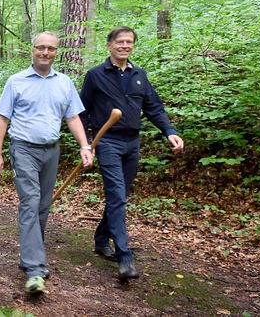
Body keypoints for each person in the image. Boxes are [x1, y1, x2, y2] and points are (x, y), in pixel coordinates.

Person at [0, 31, 93, 295]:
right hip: (23, 149)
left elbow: (72, 117)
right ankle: (35, 269)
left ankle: (31, 253)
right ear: (32, 49)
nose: (45, 52)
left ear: (56, 52)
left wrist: (84, 145)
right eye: (41, 48)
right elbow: (3, 118)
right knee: (31, 202)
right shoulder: (16, 82)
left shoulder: (64, 82)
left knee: (44, 206)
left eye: (51, 48)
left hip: (52, 150)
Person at [79, 26, 184, 282]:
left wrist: (168, 131)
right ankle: (124, 255)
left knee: (120, 196)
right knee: (117, 195)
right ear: (109, 45)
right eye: (120, 42)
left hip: (132, 144)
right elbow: (82, 112)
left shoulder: (140, 75)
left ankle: (101, 239)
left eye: (129, 42)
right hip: (108, 143)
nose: (124, 45)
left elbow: (153, 107)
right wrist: (87, 143)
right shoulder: (95, 75)